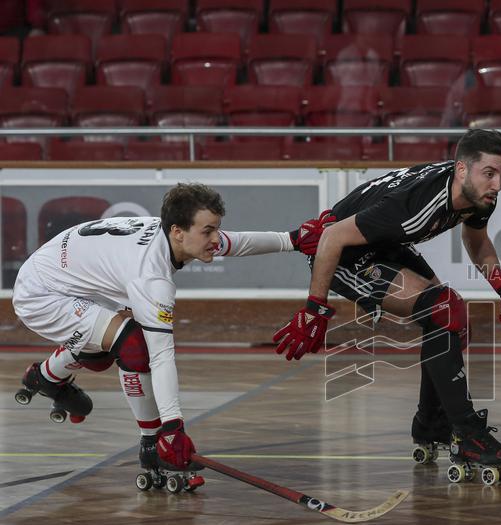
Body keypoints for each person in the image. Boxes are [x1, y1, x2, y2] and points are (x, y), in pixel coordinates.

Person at [12, 183, 322, 483]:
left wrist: (292, 239)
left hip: (70, 275)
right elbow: (160, 356)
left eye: (216, 228)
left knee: (105, 350)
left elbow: (235, 242)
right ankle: (150, 445)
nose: (216, 238)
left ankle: (47, 377)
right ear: (177, 231)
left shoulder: (176, 233)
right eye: (208, 231)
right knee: (133, 346)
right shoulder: (152, 277)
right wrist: (171, 428)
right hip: (42, 294)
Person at [272, 129, 501, 484]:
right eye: (490, 173)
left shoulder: (479, 194)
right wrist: (314, 309)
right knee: (445, 310)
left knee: (455, 323)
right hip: (346, 255)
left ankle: (431, 424)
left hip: (383, 243)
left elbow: (476, 240)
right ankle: (467, 432)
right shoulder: (415, 203)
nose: (498, 184)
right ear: (461, 170)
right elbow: (332, 238)